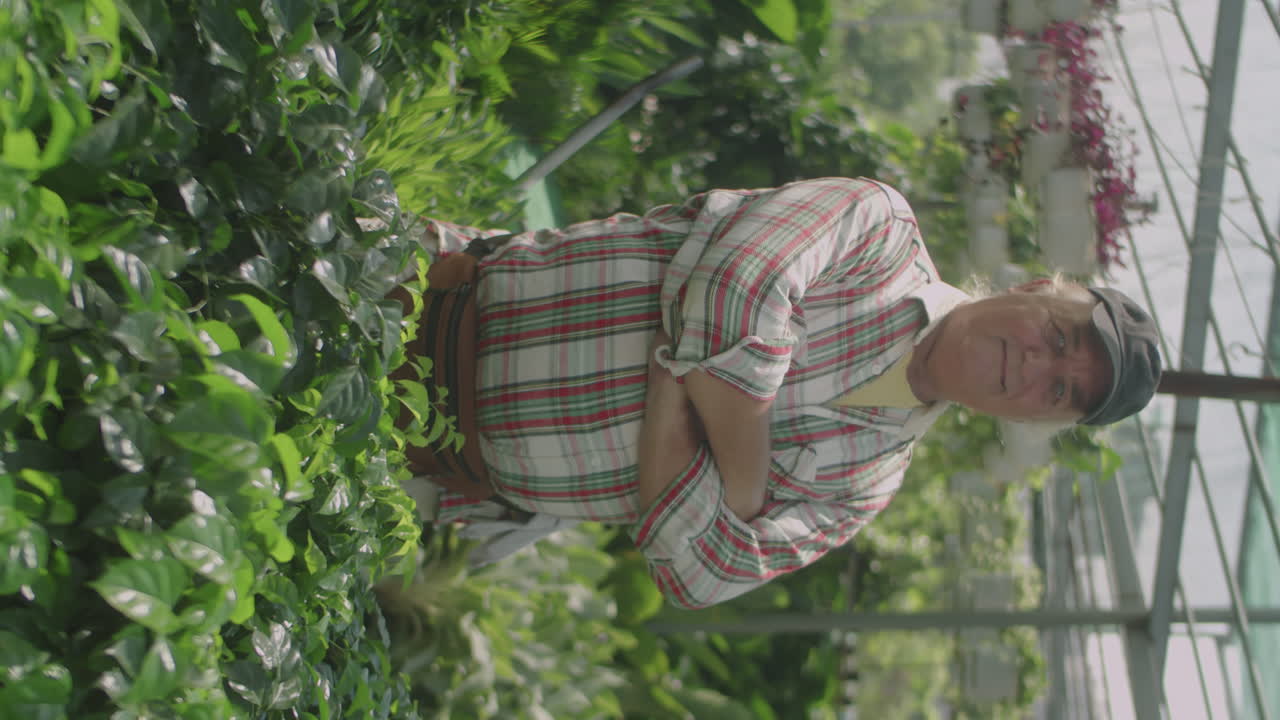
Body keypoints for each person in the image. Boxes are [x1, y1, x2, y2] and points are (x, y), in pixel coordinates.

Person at [398, 176, 1161, 609]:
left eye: (1060, 392)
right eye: (1057, 336)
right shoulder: (879, 233)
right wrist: (740, 481)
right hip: (403, 301)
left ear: (1039, 421)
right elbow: (737, 284)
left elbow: (699, 572)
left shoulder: (866, 486)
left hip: (418, 470)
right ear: (1034, 287)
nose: (1034, 367)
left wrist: (686, 379)